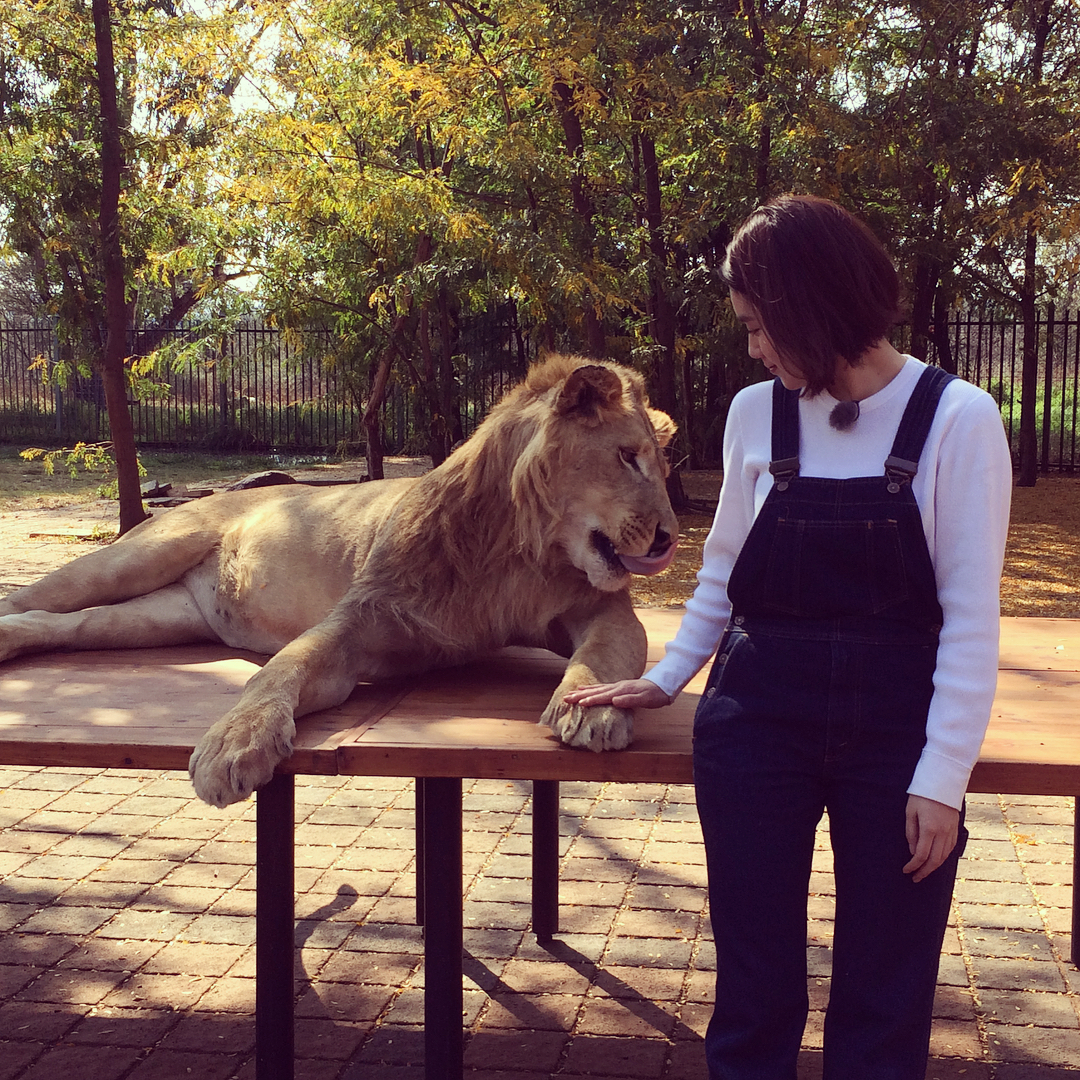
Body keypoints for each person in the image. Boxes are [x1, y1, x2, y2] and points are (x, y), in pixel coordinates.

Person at [564, 194, 1012, 1079]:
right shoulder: (754, 415)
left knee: (885, 994)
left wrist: (943, 779)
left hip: (898, 738)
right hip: (756, 722)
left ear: (815, 308)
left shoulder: (958, 419)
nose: (754, 348)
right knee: (754, 987)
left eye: (760, 327)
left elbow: (969, 620)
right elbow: (725, 574)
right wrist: (669, 679)